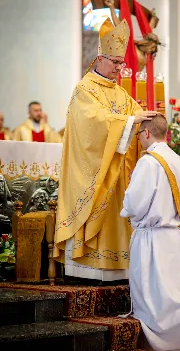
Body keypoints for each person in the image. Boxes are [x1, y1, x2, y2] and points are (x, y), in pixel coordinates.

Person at [53, 17, 158, 282]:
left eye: (122, 64)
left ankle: (118, 270)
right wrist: (128, 122)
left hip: (117, 176)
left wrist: (147, 122)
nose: (119, 69)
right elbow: (91, 126)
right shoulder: (84, 90)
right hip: (92, 173)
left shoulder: (121, 93)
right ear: (100, 57)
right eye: (115, 63)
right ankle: (87, 270)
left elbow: (135, 116)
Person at [120, 114, 180, 351]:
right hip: (174, 235)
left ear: (145, 133)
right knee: (175, 287)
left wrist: (128, 210)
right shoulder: (179, 161)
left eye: (139, 136)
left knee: (156, 291)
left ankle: (169, 328)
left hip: (152, 237)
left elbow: (134, 202)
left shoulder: (148, 162)